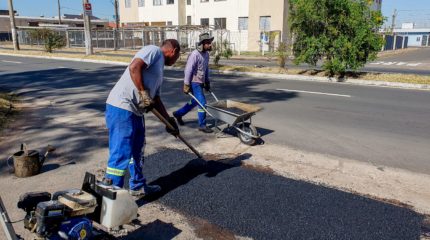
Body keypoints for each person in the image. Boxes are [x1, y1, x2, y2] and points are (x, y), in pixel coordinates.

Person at [104, 39, 180, 197]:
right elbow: (134, 67)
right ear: (173, 51)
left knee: (137, 151)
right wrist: (143, 93)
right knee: (120, 154)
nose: (177, 59)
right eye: (178, 56)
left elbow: (156, 99)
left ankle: (137, 186)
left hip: (136, 112)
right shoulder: (153, 51)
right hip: (121, 107)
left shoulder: (159, 70)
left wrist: (168, 121)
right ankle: (111, 199)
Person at [173, 33, 214, 133]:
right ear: (202, 44)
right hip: (194, 82)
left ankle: (178, 114)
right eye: (208, 43)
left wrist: (207, 81)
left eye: (210, 43)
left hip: (200, 82)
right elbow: (188, 70)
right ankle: (202, 125)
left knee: (195, 101)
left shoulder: (206, 54)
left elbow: (206, 68)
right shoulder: (195, 54)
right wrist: (186, 84)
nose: (210, 45)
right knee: (202, 103)